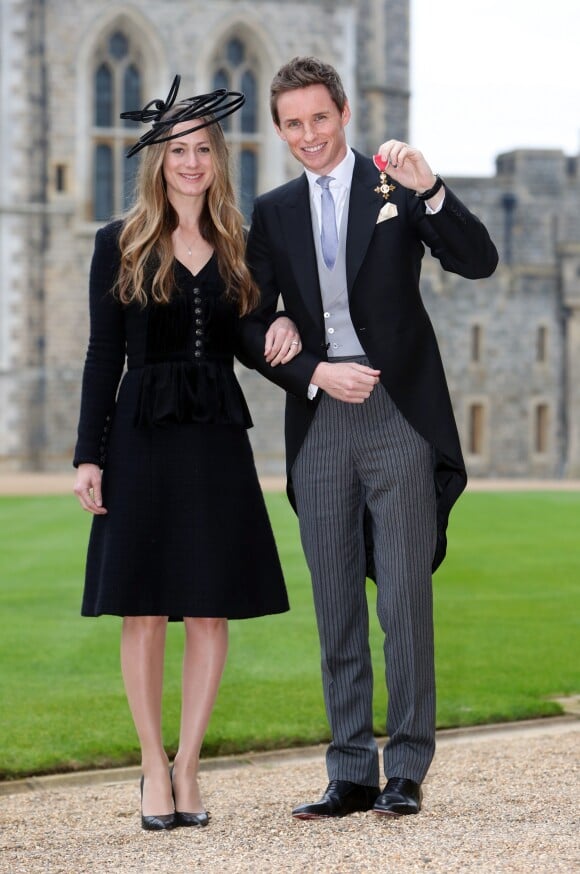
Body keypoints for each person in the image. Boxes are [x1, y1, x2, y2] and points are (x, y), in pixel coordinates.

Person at [239, 56, 499, 820]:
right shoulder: (275, 209)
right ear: (281, 129)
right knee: (335, 600)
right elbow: (248, 323)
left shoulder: (396, 185)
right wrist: (310, 365)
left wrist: (432, 188)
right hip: (321, 419)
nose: (308, 135)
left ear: (344, 113)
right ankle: (351, 770)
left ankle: (407, 768)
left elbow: (477, 260)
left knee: (405, 601)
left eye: (320, 118)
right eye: (293, 123)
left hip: (399, 416)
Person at [73, 76, 299, 831]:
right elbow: (104, 356)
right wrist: (88, 456)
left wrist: (284, 331)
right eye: (178, 150)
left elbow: (250, 337)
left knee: (208, 609)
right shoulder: (120, 241)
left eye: (203, 149)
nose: (191, 162)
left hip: (214, 439)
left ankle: (189, 767)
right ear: (158, 160)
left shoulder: (239, 243)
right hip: (139, 435)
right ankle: (149, 768)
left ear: (218, 159)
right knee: (142, 608)